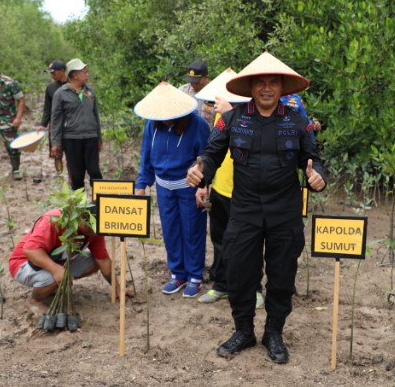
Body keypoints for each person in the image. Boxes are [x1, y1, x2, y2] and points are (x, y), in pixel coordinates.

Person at [186, 52, 326, 364]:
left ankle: (273, 333)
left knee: (281, 276)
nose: (266, 88)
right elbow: (211, 154)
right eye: (260, 83)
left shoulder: (298, 122)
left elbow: (315, 161)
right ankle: (244, 331)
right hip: (245, 209)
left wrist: (318, 177)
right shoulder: (232, 119)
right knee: (239, 272)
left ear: (281, 87)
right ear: (250, 87)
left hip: (285, 211)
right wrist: (200, 173)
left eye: (272, 83)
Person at [191, 68, 264, 308]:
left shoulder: (256, 114)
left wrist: (231, 114)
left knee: (251, 242)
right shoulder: (219, 117)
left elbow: (255, 142)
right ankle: (221, 285)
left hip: (248, 191)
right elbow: (213, 152)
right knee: (220, 239)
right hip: (221, 188)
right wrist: (204, 185)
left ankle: (253, 289)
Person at [134, 82, 210, 298]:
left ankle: (195, 276)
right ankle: (177, 273)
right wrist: (141, 185)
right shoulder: (152, 125)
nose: (165, 117)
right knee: (170, 231)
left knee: (192, 230)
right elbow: (146, 156)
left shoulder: (197, 124)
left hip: (189, 187)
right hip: (164, 188)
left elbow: (207, 158)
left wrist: (203, 185)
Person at [9, 207, 127, 313]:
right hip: (23, 264)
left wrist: (117, 288)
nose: (95, 234)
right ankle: (35, 300)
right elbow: (30, 251)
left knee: (95, 261)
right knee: (53, 277)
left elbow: (103, 260)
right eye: (93, 229)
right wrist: (56, 270)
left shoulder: (94, 229)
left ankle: (53, 287)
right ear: (82, 220)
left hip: (60, 261)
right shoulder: (55, 220)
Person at [50, 58, 103, 190]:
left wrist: (99, 138)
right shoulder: (61, 94)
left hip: (91, 137)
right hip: (72, 139)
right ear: (74, 75)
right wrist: (55, 143)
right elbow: (56, 120)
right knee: (77, 175)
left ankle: (99, 203)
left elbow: (95, 116)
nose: (87, 74)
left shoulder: (89, 91)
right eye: (84, 72)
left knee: (95, 172)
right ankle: (80, 207)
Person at [38, 60, 67, 175]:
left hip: (71, 124)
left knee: (72, 154)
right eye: (51, 73)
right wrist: (43, 124)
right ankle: (60, 176)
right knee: (56, 153)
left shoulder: (73, 85)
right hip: (55, 125)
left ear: (62, 71)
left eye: (54, 73)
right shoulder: (50, 88)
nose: (52, 75)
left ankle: (71, 178)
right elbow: (47, 108)